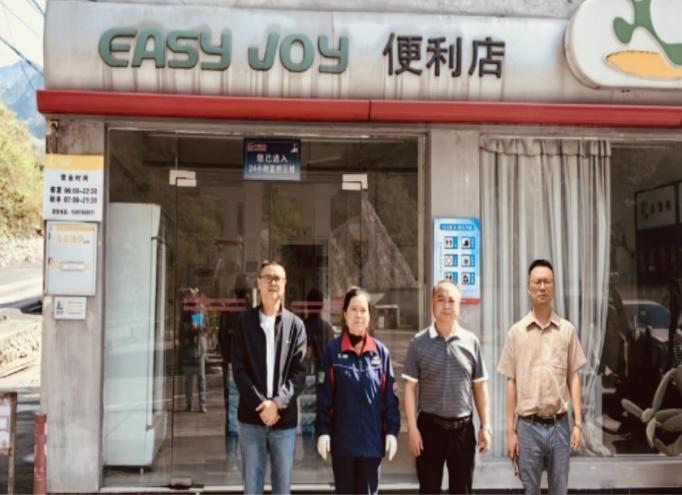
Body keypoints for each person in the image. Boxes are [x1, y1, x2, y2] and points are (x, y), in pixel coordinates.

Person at [497, 259, 587, 495]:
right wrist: (510, 432)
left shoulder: (567, 330)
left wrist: (578, 424)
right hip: (528, 428)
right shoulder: (516, 332)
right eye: (537, 282)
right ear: (529, 288)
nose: (542, 287)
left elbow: (573, 377)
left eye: (547, 282)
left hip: (559, 426)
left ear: (554, 286)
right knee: (531, 491)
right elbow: (511, 382)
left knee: (560, 490)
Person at [402, 280, 491, 495]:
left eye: (452, 300)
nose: (446, 305)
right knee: (428, 489)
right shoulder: (418, 342)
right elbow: (409, 388)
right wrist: (412, 429)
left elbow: (480, 387)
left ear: (459, 305)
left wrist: (486, 426)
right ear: (432, 303)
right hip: (429, 429)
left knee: (462, 489)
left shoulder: (471, 341)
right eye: (441, 299)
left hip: (462, 429)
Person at [231, 261, 307, 495]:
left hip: (283, 422)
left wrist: (276, 404)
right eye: (268, 278)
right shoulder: (244, 323)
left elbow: (299, 373)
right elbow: (238, 370)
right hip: (251, 420)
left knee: (282, 489)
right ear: (259, 283)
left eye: (277, 278)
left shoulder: (295, 325)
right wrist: (261, 404)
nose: (272, 282)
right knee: (251, 489)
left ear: (284, 284)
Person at [315, 287, 400, 495]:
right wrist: (323, 431)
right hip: (343, 445)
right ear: (345, 314)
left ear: (370, 315)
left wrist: (392, 432)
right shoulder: (332, 351)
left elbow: (390, 398)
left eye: (363, 310)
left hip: (372, 445)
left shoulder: (381, 353)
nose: (358, 315)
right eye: (353, 309)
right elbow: (324, 396)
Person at [180, 287, 208, 413]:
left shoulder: (199, 309)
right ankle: (189, 403)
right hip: (189, 348)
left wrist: (195, 327)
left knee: (201, 377)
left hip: (198, 348)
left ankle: (202, 403)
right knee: (189, 378)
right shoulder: (185, 310)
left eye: (191, 294)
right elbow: (183, 328)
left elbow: (201, 329)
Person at [303, 288, 334, 373]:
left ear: (307, 305)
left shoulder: (300, 327)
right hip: (323, 374)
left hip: (305, 375)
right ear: (322, 306)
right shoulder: (327, 329)